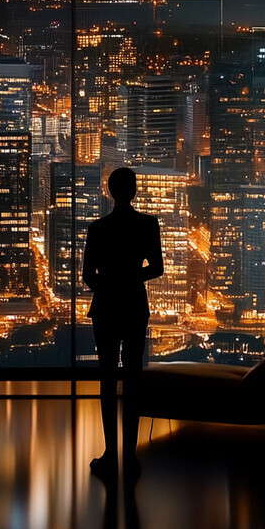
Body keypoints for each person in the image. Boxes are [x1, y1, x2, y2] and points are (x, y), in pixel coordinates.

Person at [83, 167, 163, 482]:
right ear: (134, 191)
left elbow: (88, 275)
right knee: (133, 379)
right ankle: (130, 454)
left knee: (107, 380)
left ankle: (109, 454)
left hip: (105, 307)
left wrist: (108, 285)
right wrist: (131, 278)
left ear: (109, 191)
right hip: (134, 305)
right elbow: (156, 268)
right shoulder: (147, 224)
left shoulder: (97, 228)